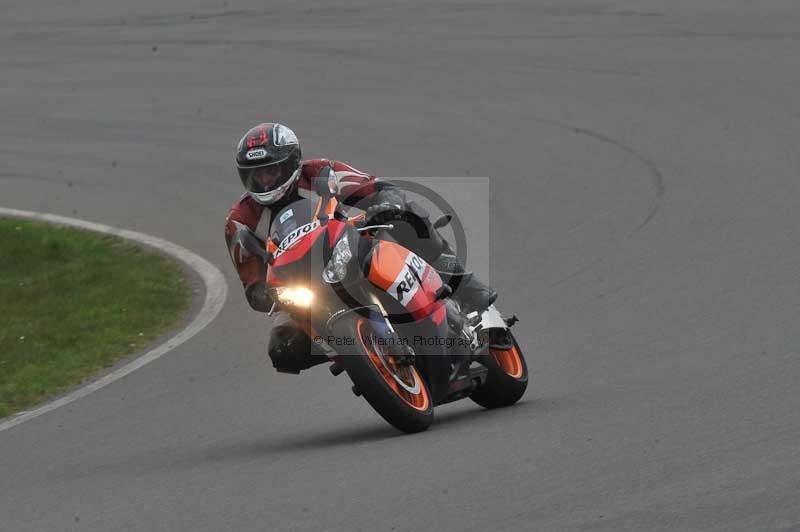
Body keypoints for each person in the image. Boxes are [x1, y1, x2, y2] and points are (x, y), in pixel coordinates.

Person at [224, 122, 496, 373]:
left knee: (408, 218)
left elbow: (377, 188)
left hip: (351, 246)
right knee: (282, 350)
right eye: (256, 176)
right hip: (304, 286)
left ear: (292, 163)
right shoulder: (239, 221)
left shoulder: (321, 172)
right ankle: (358, 353)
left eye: (271, 171)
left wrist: (387, 204)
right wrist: (267, 293)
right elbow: (253, 285)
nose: (265, 181)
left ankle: (467, 289)